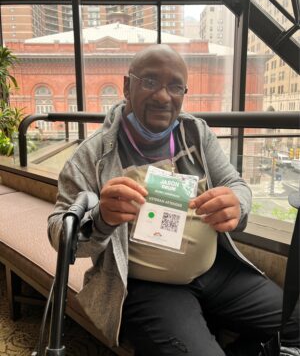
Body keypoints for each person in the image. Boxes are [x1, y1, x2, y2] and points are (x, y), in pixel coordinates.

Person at [48, 44, 299, 356]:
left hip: (214, 270)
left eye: (175, 86)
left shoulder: (196, 133)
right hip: (144, 285)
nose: (163, 96)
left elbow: (235, 184)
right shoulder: (93, 155)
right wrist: (102, 218)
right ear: (127, 86)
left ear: (184, 92)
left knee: (296, 321)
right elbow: (60, 232)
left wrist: (237, 202)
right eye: (150, 82)